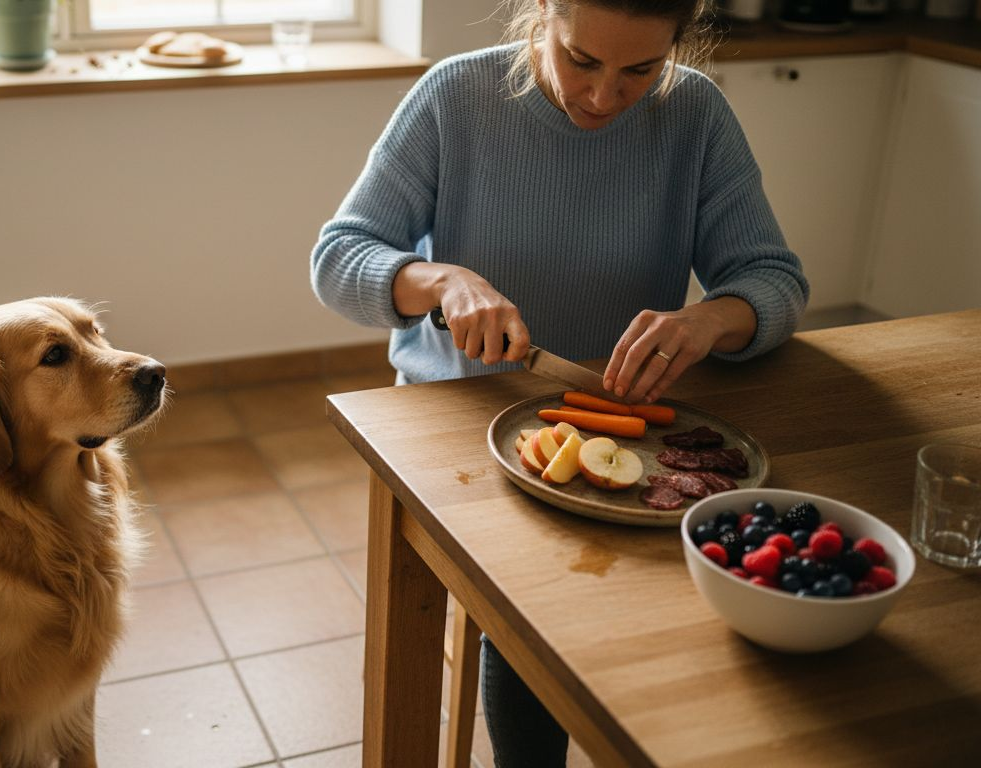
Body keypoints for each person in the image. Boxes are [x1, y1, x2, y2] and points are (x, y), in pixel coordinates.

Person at [309, 0, 809, 763]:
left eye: (641, 69)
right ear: (542, 11)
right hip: (459, 428)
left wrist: (711, 319)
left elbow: (773, 279)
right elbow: (339, 258)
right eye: (581, 60)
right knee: (533, 620)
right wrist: (439, 279)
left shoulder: (695, 114)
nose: (605, 97)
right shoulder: (456, 97)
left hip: (626, 429)